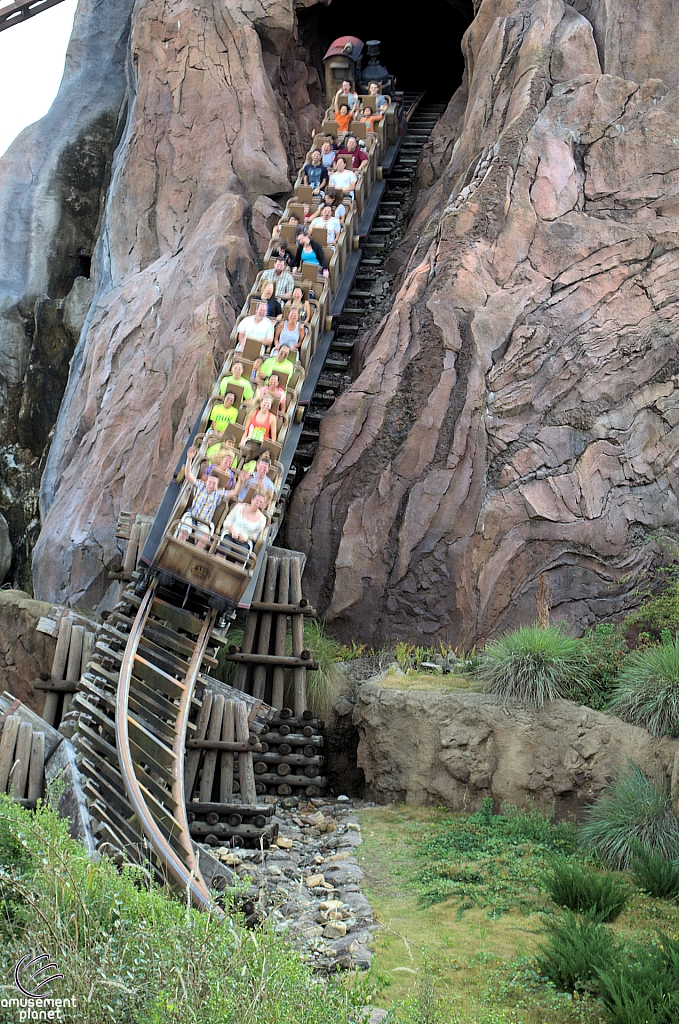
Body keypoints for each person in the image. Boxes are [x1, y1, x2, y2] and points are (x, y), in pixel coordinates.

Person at [177, 446, 230, 549]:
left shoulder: (218, 493)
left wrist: (241, 481)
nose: (211, 485)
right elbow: (188, 475)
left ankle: (191, 557)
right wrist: (189, 459)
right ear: (206, 482)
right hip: (192, 516)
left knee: (204, 538)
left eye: (214, 484)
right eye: (210, 482)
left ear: (217, 485)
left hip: (204, 523)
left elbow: (233, 492)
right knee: (184, 531)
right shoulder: (201, 485)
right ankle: (177, 549)